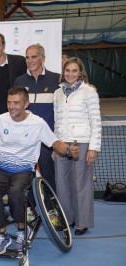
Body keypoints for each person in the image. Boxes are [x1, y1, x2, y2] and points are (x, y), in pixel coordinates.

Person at [0, 86, 80, 254]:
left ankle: (21, 231)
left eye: (16, 103)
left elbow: (55, 143)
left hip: (25, 169)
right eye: (9, 102)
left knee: (16, 193)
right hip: (2, 168)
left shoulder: (38, 123)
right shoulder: (1, 119)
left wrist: (69, 150)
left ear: (26, 104)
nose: (12, 106)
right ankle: (2, 234)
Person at [53, 57, 101, 236]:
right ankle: (68, 219)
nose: (70, 74)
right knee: (62, 184)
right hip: (62, 145)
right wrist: (55, 146)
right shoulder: (57, 93)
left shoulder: (89, 91)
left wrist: (93, 147)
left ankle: (82, 222)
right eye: (67, 71)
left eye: (74, 71)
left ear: (80, 73)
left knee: (81, 184)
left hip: (81, 142)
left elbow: (95, 120)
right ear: (63, 72)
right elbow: (57, 120)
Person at [14, 44, 60, 191]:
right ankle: (30, 209)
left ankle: (51, 208)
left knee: (48, 177)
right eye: (27, 57)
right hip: (26, 141)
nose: (30, 60)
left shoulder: (56, 80)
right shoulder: (19, 81)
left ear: (42, 58)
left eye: (33, 56)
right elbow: (15, 111)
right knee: (25, 179)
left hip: (47, 140)